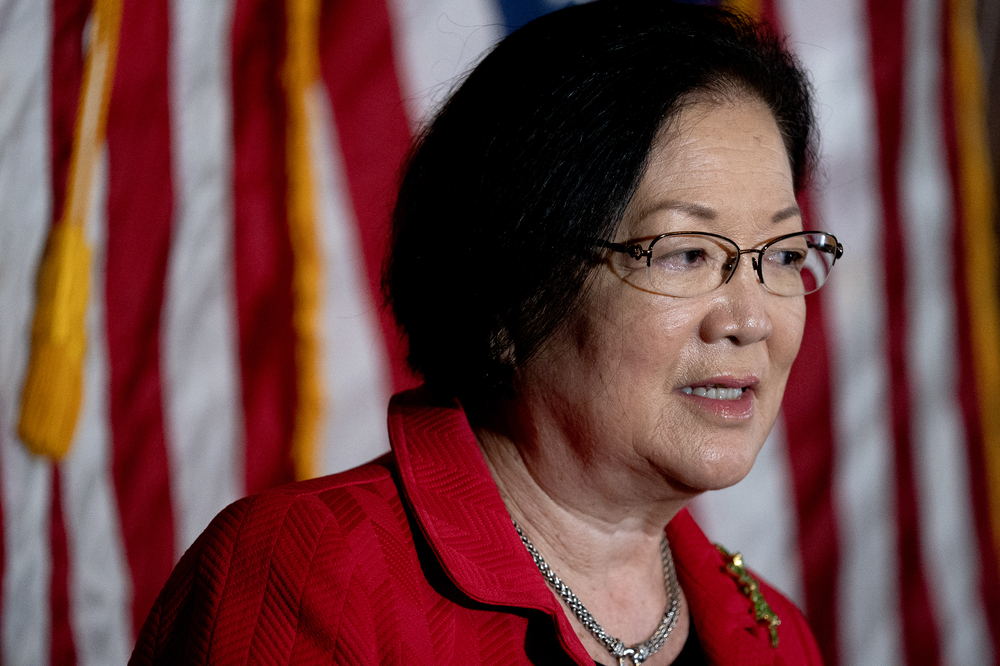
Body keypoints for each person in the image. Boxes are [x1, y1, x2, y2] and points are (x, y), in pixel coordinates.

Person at [131, 2, 843, 664]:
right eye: (686, 254)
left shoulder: (769, 632)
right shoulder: (309, 568)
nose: (750, 319)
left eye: (781, 256)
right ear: (510, 295)